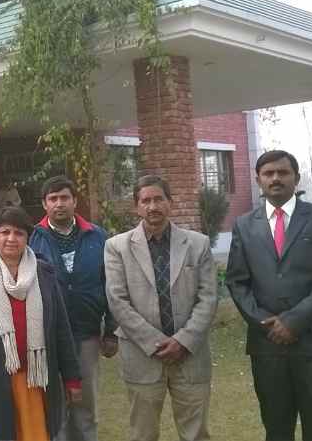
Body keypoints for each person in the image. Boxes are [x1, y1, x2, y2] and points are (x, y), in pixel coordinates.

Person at [226, 150, 312, 441]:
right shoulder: (244, 225)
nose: (276, 178)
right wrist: (264, 322)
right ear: (258, 180)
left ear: (296, 177)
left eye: (283, 172)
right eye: (268, 173)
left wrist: (293, 322)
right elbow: (237, 282)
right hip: (267, 347)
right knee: (276, 429)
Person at [104, 175, 218, 441]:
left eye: (158, 199)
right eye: (146, 201)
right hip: (142, 356)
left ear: (170, 202)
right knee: (142, 435)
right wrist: (156, 343)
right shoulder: (117, 247)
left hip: (190, 355)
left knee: (196, 434)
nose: (153, 206)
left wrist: (182, 341)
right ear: (136, 206)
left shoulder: (197, 244)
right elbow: (117, 301)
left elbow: (208, 297)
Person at [0, 206, 82, 441]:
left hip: (37, 378)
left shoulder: (44, 273)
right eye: (5, 232)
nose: (11, 238)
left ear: (27, 238)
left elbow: (61, 329)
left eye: (18, 233)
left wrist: (72, 377)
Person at [28, 176, 117, 441]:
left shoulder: (97, 236)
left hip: (87, 333)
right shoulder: (33, 239)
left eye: (64, 197)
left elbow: (111, 285)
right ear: (44, 204)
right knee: (57, 409)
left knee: (85, 406)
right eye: (53, 199)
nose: (59, 204)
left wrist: (111, 331)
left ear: (75, 201)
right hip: (49, 337)